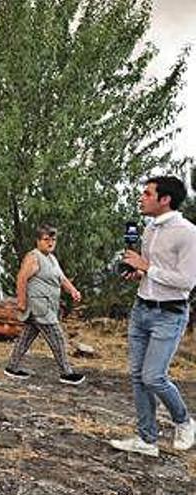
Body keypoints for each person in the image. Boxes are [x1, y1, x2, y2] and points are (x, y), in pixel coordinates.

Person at [110, 176, 196, 456]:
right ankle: (147, 441)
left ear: (165, 199)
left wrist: (147, 266)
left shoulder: (187, 233)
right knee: (137, 376)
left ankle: (184, 421)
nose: (141, 197)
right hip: (142, 308)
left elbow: (186, 281)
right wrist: (136, 272)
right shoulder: (148, 228)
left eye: (147, 193)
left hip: (169, 314)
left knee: (154, 376)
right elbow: (149, 271)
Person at [3, 224, 85, 385]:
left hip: (47, 307)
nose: (50, 243)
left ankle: (11, 367)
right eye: (46, 239)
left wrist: (73, 291)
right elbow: (21, 278)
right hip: (39, 308)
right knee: (57, 337)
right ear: (38, 241)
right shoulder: (34, 257)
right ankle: (66, 373)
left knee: (26, 338)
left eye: (53, 239)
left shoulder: (52, 259)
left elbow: (61, 279)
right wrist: (21, 301)